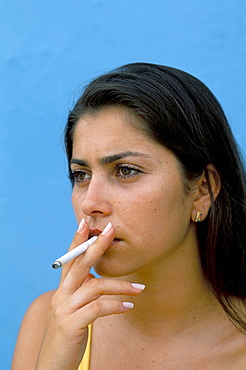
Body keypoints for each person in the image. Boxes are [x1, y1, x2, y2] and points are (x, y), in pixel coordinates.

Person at [12, 62, 246, 369]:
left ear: (202, 190)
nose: (90, 203)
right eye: (81, 175)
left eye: (126, 171)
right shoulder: (48, 322)